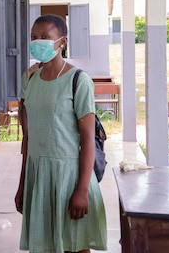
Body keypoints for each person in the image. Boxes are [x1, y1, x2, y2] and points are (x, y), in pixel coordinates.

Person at [15, 14, 107, 253]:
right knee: (45, 245)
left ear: (62, 42)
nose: (37, 42)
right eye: (34, 37)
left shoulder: (78, 80)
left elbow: (87, 140)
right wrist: (23, 182)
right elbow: (28, 137)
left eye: (45, 37)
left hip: (70, 176)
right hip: (39, 176)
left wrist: (81, 191)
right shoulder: (30, 78)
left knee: (75, 245)